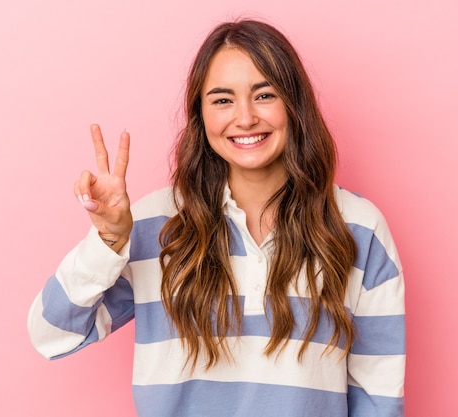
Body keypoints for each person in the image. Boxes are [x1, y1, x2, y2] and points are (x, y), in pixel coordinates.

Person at [28, 19, 405, 417]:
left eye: (264, 95)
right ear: (200, 115)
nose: (244, 118)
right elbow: (51, 335)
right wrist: (107, 241)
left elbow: (378, 398)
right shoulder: (154, 226)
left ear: (294, 104)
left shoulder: (358, 229)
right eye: (222, 100)